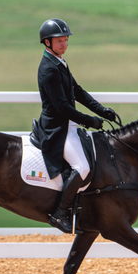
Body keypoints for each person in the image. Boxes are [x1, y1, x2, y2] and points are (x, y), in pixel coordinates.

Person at [35, 18, 117, 233]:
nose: (64, 45)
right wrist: (90, 121)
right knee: (83, 168)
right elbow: (62, 108)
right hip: (57, 128)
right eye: (59, 41)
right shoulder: (48, 70)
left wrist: (101, 110)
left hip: (69, 125)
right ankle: (60, 213)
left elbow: (77, 91)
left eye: (65, 40)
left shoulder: (59, 62)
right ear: (47, 43)